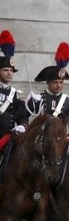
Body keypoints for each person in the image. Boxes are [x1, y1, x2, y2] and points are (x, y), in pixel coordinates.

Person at [25, 41, 69, 136]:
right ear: (48, 82)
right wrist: (23, 126)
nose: (59, 85)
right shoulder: (38, 98)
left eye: (61, 82)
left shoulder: (68, 101)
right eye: (55, 82)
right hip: (40, 138)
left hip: (60, 138)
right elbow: (23, 116)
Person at [0, 30, 29, 180]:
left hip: (11, 139)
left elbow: (23, 114)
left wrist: (23, 125)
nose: (9, 73)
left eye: (11, 71)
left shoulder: (15, 94)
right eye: (5, 70)